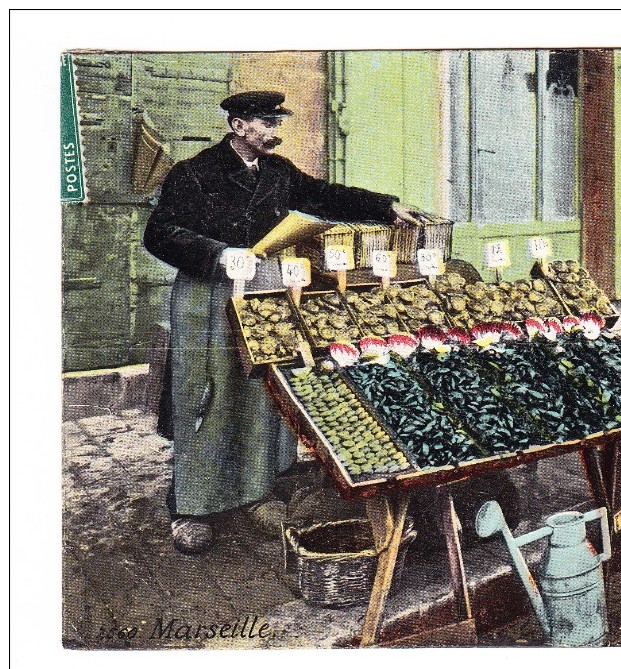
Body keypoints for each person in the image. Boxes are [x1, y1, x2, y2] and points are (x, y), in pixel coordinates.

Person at [144, 90, 421, 554]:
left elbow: (325, 195)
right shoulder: (193, 173)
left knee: (260, 391)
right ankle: (191, 507)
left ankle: (254, 492)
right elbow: (160, 233)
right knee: (205, 395)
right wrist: (217, 253)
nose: (275, 133)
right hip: (208, 294)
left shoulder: (277, 171)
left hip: (264, 288)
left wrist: (385, 207)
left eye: (277, 123)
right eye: (266, 124)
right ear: (237, 126)